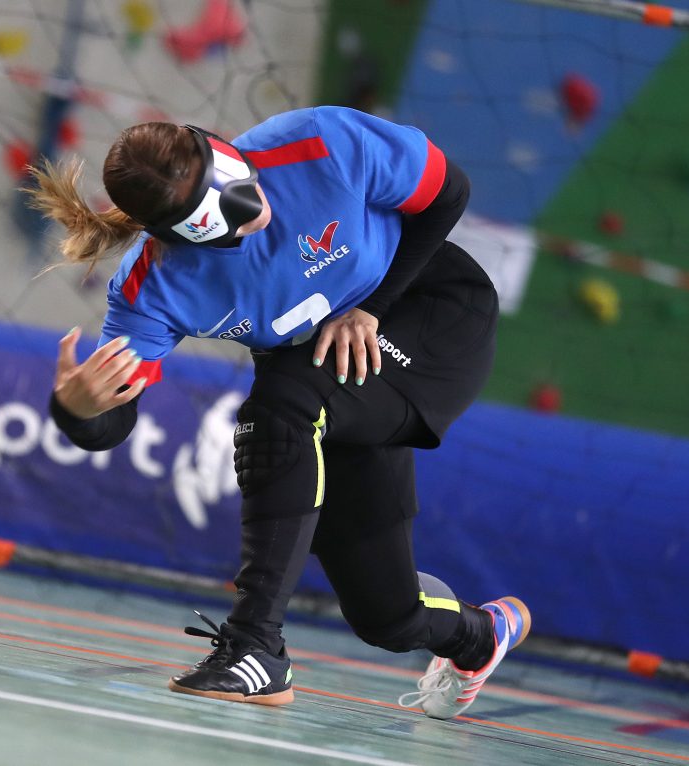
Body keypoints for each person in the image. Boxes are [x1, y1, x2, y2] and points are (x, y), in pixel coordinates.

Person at [27, 106, 529, 719]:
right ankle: (480, 636)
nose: (255, 212)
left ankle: (255, 648)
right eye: (226, 221)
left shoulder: (323, 142)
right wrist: (78, 410)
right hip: (330, 379)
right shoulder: (153, 288)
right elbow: (114, 418)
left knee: (278, 412)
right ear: (176, 236)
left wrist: (371, 306)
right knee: (386, 615)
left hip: (426, 312)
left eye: (242, 186)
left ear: (218, 147)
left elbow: (450, 192)